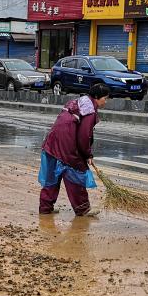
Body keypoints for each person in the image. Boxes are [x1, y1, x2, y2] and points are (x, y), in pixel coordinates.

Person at [38, 82, 110, 216]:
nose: (106, 102)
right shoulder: (89, 111)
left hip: (53, 142)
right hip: (67, 146)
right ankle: (83, 208)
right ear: (96, 97)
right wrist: (87, 154)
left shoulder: (79, 102)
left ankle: (45, 207)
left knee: (52, 175)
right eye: (105, 98)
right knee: (75, 174)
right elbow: (84, 136)